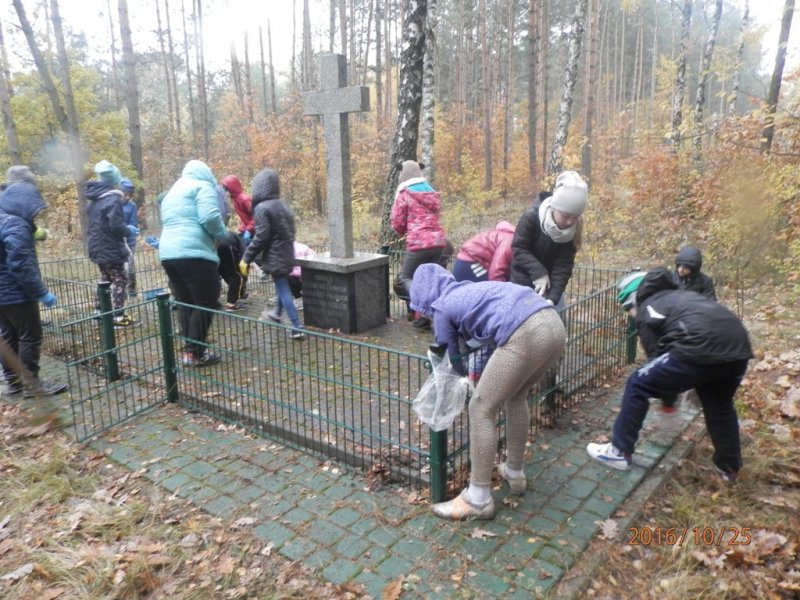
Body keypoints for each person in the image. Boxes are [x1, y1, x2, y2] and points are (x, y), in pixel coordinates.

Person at [410, 264, 566, 520]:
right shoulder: (470, 291)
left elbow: (451, 357)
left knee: (480, 408)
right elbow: (489, 338)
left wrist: (462, 380)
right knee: (517, 396)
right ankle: (514, 471)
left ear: (423, 296)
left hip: (525, 331)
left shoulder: (442, 306)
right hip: (553, 324)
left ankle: (478, 498)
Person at [586, 267, 753, 483]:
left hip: (699, 346)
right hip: (738, 347)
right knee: (719, 406)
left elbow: (656, 360)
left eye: (628, 308)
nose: (632, 315)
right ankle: (729, 469)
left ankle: (619, 451)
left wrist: (668, 405)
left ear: (634, 298)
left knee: (637, 383)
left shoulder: (647, 307)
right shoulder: (681, 296)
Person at [0, 166, 67, 397]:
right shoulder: (15, 223)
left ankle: (14, 383)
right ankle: (32, 385)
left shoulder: (4, 217)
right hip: (16, 293)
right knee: (30, 336)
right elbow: (20, 263)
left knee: (8, 337)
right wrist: (40, 292)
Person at [159, 160, 228, 366]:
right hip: (194, 253)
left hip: (168, 254)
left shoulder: (173, 191)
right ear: (206, 173)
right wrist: (222, 234)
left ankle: (190, 352)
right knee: (206, 301)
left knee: (185, 301)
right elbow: (210, 217)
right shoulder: (202, 186)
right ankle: (197, 353)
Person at [238, 168, 304, 340]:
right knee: (282, 284)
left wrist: (246, 258)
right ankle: (277, 313)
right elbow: (291, 231)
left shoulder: (261, 208)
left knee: (283, 288)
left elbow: (262, 236)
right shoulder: (283, 205)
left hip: (275, 256)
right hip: (287, 252)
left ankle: (297, 326)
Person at [510, 171, 588, 307]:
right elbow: (519, 248)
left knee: (556, 315)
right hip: (522, 283)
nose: (570, 222)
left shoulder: (571, 232)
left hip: (552, 287)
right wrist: (539, 273)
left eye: (575, 217)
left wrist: (552, 299)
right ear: (554, 207)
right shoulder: (531, 218)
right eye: (565, 216)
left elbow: (563, 266)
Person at [390, 160, 449, 329]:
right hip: (438, 243)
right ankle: (423, 317)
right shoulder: (431, 192)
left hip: (418, 243)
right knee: (428, 279)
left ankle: (426, 307)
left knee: (404, 279)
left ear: (403, 174)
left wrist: (401, 230)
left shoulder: (405, 193)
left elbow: (398, 223)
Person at [85, 160, 137, 327]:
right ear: (115, 179)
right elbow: (115, 225)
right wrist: (128, 230)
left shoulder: (94, 198)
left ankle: (99, 313)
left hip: (96, 245)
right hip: (110, 247)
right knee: (120, 279)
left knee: (105, 278)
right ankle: (118, 317)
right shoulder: (113, 198)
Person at [120, 177, 139, 298]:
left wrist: (128, 229)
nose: (127, 197)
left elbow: (133, 223)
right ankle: (121, 291)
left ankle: (132, 289)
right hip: (116, 240)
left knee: (130, 266)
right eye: (125, 194)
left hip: (129, 241)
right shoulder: (114, 204)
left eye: (130, 195)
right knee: (119, 268)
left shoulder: (132, 206)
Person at [221, 175, 254, 244]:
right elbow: (245, 218)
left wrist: (249, 229)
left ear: (232, 189)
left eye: (226, 189)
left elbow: (258, 216)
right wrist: (241, 228)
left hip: (255, 232)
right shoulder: (236, 200)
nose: (225, 192)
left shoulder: (245, 200)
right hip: (250, 230)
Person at [217, 231, 246, 311]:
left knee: (222, 271)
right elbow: (244, 256)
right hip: (227, 246)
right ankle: (231, 304)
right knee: (235, 276)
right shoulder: (239, 239)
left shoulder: (233, 234)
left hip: (215, 245)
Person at [288, 241, 315, 310]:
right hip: (308, 275)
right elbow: (314, 256)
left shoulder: (287, 249)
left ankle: (299, 298)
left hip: (296, 277)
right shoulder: (304, 247)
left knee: (288, 278)